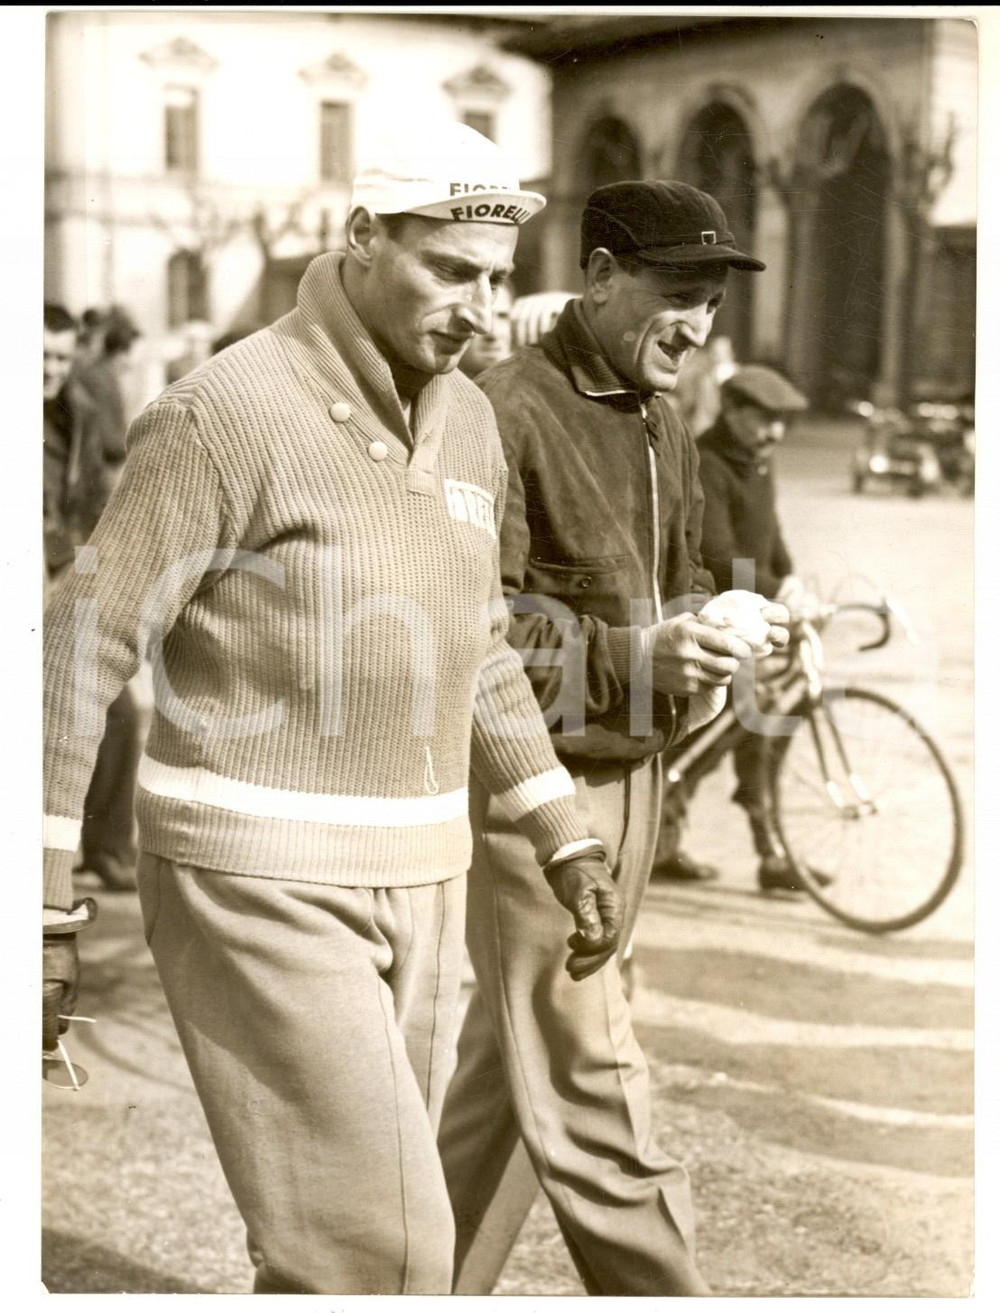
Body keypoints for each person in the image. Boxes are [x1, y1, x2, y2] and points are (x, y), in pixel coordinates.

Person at [42, 123, 624, 1296]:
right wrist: (39, 902)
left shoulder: (467, 417)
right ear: (361, 237)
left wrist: (561, 828)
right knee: (384, 1251)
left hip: (422, 870)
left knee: (338, 1249)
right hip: (254, 874)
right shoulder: (222, 412)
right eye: (449, 269)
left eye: (497, 278)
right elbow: (74, 648)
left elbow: (477, 644)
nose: (477, 306)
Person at [438, 180, 787, 1295]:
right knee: (589, 1070)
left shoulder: (663, 417)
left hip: (631, 785)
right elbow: (471, 634)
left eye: (712, 303)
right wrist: (633, 660)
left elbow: (680, 578)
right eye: (677, 293)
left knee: (510, 1077)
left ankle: (408, 1284)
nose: (696, 325)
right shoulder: (502, 408)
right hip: (533, 797)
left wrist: (723, 624)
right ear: (597, 276)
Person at [653, 364, 819, 893]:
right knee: (711, 734)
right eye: (765, 421)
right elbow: (720, 556)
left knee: (763, 731)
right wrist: (775, 592)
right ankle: (664, 838)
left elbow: (771, 535)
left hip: (762, 615)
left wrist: (789, 577)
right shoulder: (710, 462)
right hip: (721, 614)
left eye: (782, 423)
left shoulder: (758, 462)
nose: (775, 434)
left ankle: (769, 853)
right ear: (733, 412)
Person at [43, 303, 144, 893]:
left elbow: (90, 498)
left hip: (61, 578)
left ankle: (106, 848)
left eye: (59, 356)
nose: (50, 369)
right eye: (38, 358)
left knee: (119, 712)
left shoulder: (76, 413)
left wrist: (105, 567)